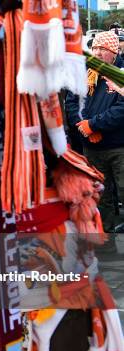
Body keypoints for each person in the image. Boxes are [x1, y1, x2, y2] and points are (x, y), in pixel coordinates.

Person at [64, 30, 124, 233]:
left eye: (103, 49)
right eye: (95, 48)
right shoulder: (83, 73)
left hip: (119, 147)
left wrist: (95, 125)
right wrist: (83, 127)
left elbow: (121, 109)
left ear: (113, 52)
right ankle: (106, 242)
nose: (97, 53)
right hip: (91, 148)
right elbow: (71, 102)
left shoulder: (120, 74)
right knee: (100, 197)